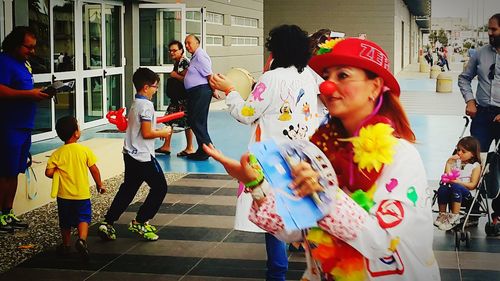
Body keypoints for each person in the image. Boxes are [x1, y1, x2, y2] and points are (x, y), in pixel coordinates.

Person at [204, 37, 440, 280]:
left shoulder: (400, 157)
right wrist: (258, 185)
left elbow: (381, 241)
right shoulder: (318, 152)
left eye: (343, 75)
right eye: (327, 76)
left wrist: (324, 194)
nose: (327, 86)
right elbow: (295, 232)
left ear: (375, 87)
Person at [210, 24, 322, 281]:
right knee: (302, 216)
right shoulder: (309, 76)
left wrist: (231, 91)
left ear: (276, 50)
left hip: (273, 163)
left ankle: (277, 276)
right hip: (303, 159)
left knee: (274, 218)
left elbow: (246, 114)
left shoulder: (271, 79)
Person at [97, 67, 170, 242]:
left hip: (129, 153)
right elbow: (146, 133)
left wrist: (156, 129)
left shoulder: (135, 103)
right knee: (160, 188)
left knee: (128, 189)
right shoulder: (146, 106)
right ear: (146, 87)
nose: (156, 89)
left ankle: (108, 223)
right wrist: (164, 132)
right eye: (154, 86)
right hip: (142, 157)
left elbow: (140, 129)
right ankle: (140, 221)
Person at [0, 26, 50, 233]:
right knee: (4, 172)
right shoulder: (3, 62)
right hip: (8, 125)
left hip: (24, 126)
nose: (32, 51)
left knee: (15, 172)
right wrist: (29, 95)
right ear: (15, 44)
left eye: (33, 47)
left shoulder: (24, 64)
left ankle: (7, 212)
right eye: (28, 47)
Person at [45, 116, 105, 261]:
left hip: (63, 196)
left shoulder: (57, 153)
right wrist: (99, 185)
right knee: (83, 218)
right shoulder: (84, 150)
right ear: (76, 133)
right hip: (81, 195)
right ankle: (81, 240)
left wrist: (58, 171)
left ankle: (66, 245)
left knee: (65, 221)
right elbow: (94, 170)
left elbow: (48, 172)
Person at [458, 13, 500, 154]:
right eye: (489, 29)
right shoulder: (480, 54)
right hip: (481, 116)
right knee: (476, 161)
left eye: (493, 29)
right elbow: (464, 78)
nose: (489, 33)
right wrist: (470, 101)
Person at [155, 40, 195, 157]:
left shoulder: (184, 62)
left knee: (186, 122)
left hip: (183, 99)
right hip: (176, 99)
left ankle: (189, 147)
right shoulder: (178, 62)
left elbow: (187, 79)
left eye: (174, 50)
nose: (172, 53)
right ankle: (166, 146)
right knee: (169, 120)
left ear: (181, 50)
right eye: (170, 50)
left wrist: (174, 75)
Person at [434, 136, 482, 231]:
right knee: (443, 187)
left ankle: (454, 216)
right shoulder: (455, 163)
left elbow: (472, 185)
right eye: (458, 150)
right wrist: (448, 163)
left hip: (467, 195)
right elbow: (446, 178)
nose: (459, 153)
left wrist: (458, 182)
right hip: (453, 193)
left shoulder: (475, 166)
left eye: (463, 151)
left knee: (456, 186)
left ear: (472, 154)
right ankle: (442, 215)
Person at [183, 34, 214, 161]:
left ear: (198, 43)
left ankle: (207, 149)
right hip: (196, 92)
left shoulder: (200, 56)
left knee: (196, 121)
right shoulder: (195, 57)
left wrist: (214, 89)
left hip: (201, 91)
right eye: (185, 43)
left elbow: (209, 75)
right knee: (197, 121)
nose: (186, 45)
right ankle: (204, 149)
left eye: (189, 42)